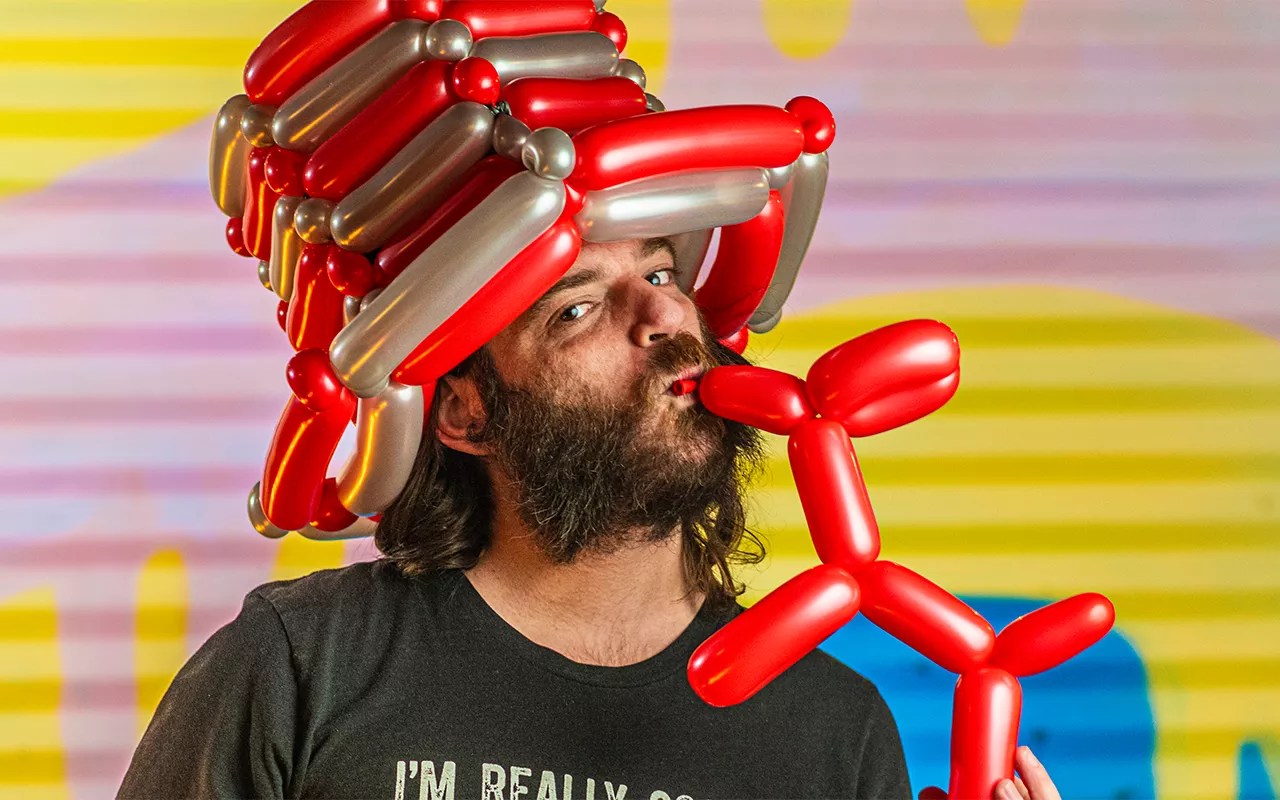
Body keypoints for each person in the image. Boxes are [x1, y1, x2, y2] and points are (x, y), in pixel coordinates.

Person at [118, 236, 1062, 800]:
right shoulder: (299, 668)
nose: (659, 316)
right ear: (465, 412)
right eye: (576, 309)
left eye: (662, 270)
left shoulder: (833, 731)